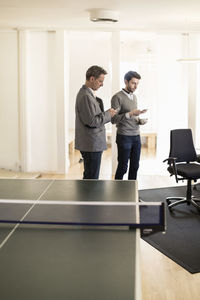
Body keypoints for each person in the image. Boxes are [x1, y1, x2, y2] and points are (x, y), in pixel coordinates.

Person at [75, 65, 117, 179]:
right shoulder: (85, 96)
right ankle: (88, 197)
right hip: (91, 144)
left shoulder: (88, 94)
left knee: (90, 177)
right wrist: (108, 114)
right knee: (92, 178)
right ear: (92, 79)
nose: (102, 84)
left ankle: (87, 196)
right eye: (100, 81)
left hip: (92, 144)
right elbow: (92, 121)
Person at [111, 71, 147, 180]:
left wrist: (139, 120)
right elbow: (114, 119)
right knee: (123, 167)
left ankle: (132, 194)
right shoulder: (117, 97)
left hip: (136, 136)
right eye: (133, 83)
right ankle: (117, 193)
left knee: (135, 166)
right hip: (124, 137)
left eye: (137, 84)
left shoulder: (134, 97)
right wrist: (131, 113)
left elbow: (132, 117)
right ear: (125, 81)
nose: (136, 86)